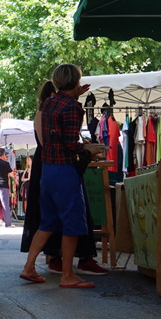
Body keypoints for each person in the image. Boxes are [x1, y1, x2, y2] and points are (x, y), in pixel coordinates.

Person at [19, 64, 105, 288]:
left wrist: (73, 93)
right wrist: (89, 150)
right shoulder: (73, 108)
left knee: (47, 222)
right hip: (65, 171)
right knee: (72, 224)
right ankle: (68, 275)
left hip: (47, 170)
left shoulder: (49, 103)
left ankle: (29, 267)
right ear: (76, 81)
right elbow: (70, 143)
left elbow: (59, 113)